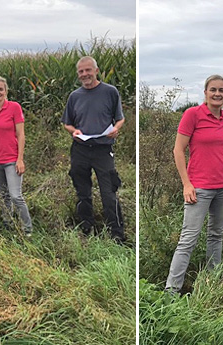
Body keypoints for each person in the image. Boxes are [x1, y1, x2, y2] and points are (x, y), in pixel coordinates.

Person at [164, 75, 223, 293]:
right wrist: (186, 184)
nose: (217, 94)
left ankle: (213, 282)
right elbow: (178, 150)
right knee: (188, 239)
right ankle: (171, 291)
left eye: (222, 90)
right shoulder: (192, 115)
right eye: (213, 90)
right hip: (200, 188)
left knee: (216, 234)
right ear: (205, 92)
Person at [61, 56, 126, 243]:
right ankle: (86, 229)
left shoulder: (110, 92)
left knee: (108, 193)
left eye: (88, 70)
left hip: (103, 150)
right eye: (81, 72)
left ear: (96, 71)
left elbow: (119, 118)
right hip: (80, 148)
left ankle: (117, 235)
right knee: (82, 192)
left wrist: (116, 129)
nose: (85, 74)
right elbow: (67, 123)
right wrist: (74, 132)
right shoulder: (75, 96)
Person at [0, 76, 33, 236]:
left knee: (15, 196)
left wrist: (20, 159)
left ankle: (27, 229)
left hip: (11, 160)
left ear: (6, 91)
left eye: (0, 89)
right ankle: (8, 225)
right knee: (4, 196)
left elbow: (21, 134)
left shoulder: (14, 108)